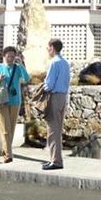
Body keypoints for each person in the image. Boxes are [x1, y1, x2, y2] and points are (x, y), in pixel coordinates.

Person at [0, 45, 31, 164]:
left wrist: (21, 64)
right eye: (9, 56)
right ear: (4, 56)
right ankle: (8, 154)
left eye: (13, 56)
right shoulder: (0, 67)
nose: (11, 58)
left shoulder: (17, 68)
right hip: (1, 100)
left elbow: (27, 79)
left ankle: (6, 149)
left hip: (15, 101)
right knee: (5, 128)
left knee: (11, 127)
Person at [38, 38, 70, 171]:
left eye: (48, 47)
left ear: (52, 47)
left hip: (54, 96)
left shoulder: (54, 63)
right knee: (58, 128)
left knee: (52, 130)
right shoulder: (65, 63)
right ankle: (55, 158)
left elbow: (49, 84)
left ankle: (55, 160)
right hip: (63, 96)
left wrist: (42, 88)